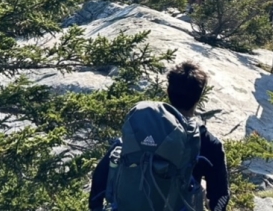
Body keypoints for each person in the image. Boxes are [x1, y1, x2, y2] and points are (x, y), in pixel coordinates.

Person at [89, 61, 230, 211]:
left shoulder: (141, 130)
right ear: (199, 97)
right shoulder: (209, 144)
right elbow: (220, 197)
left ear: (168, 91)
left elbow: (99, 180)